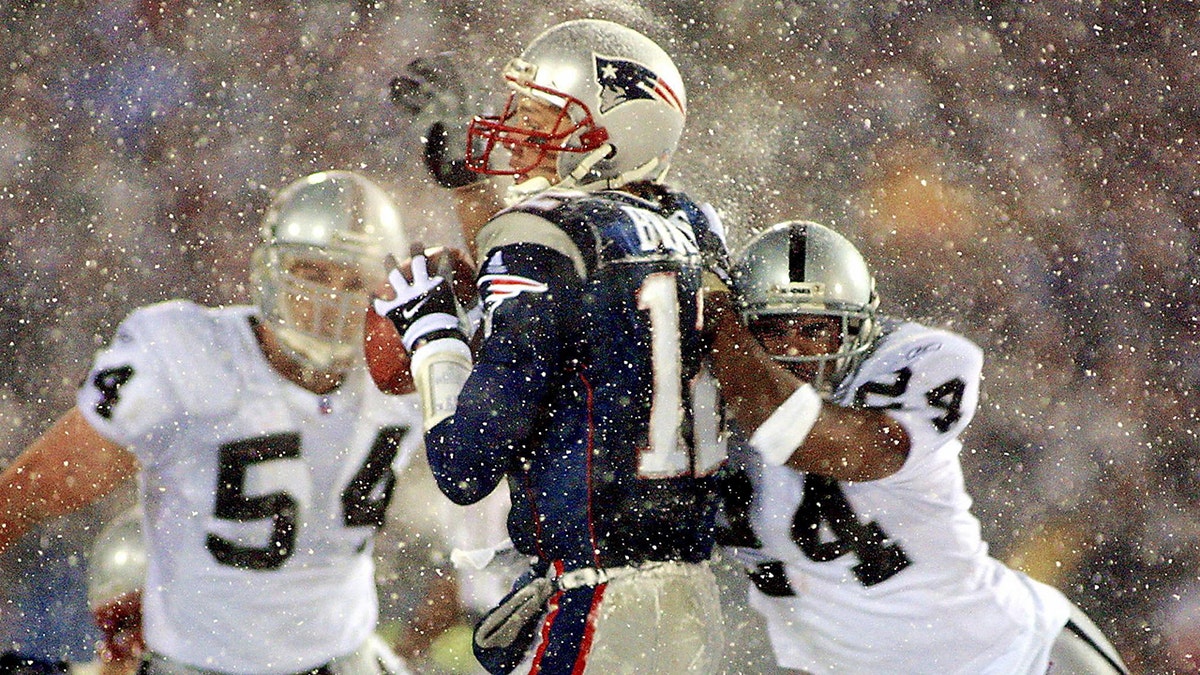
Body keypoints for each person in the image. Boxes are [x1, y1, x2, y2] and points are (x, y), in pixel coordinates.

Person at [374, 19, 730, 675]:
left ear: (614, 135)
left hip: (604, 600)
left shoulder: (544, 236)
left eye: (542, 119)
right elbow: (580, 292)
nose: (514, 130)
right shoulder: (691, 224)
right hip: (689, 591)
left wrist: (430, 332)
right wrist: (469, 191)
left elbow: (463, 464)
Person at [0, 170, 425, 675]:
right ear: (270, 270)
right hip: (204, 663)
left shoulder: (413, 368)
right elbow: (31, 493)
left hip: (346, 655)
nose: (330, 301)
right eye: (311, 273)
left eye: (354, 281)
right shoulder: (186, 357)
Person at [709, 220, 1131, 674]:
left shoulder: (917, 359)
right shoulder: (703, 401)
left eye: (815, 331)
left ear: (858, 332)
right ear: (746, 329)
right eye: (774, 331)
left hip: (1016, 658)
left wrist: (714, 312)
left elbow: (819, 440)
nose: (796, 351)